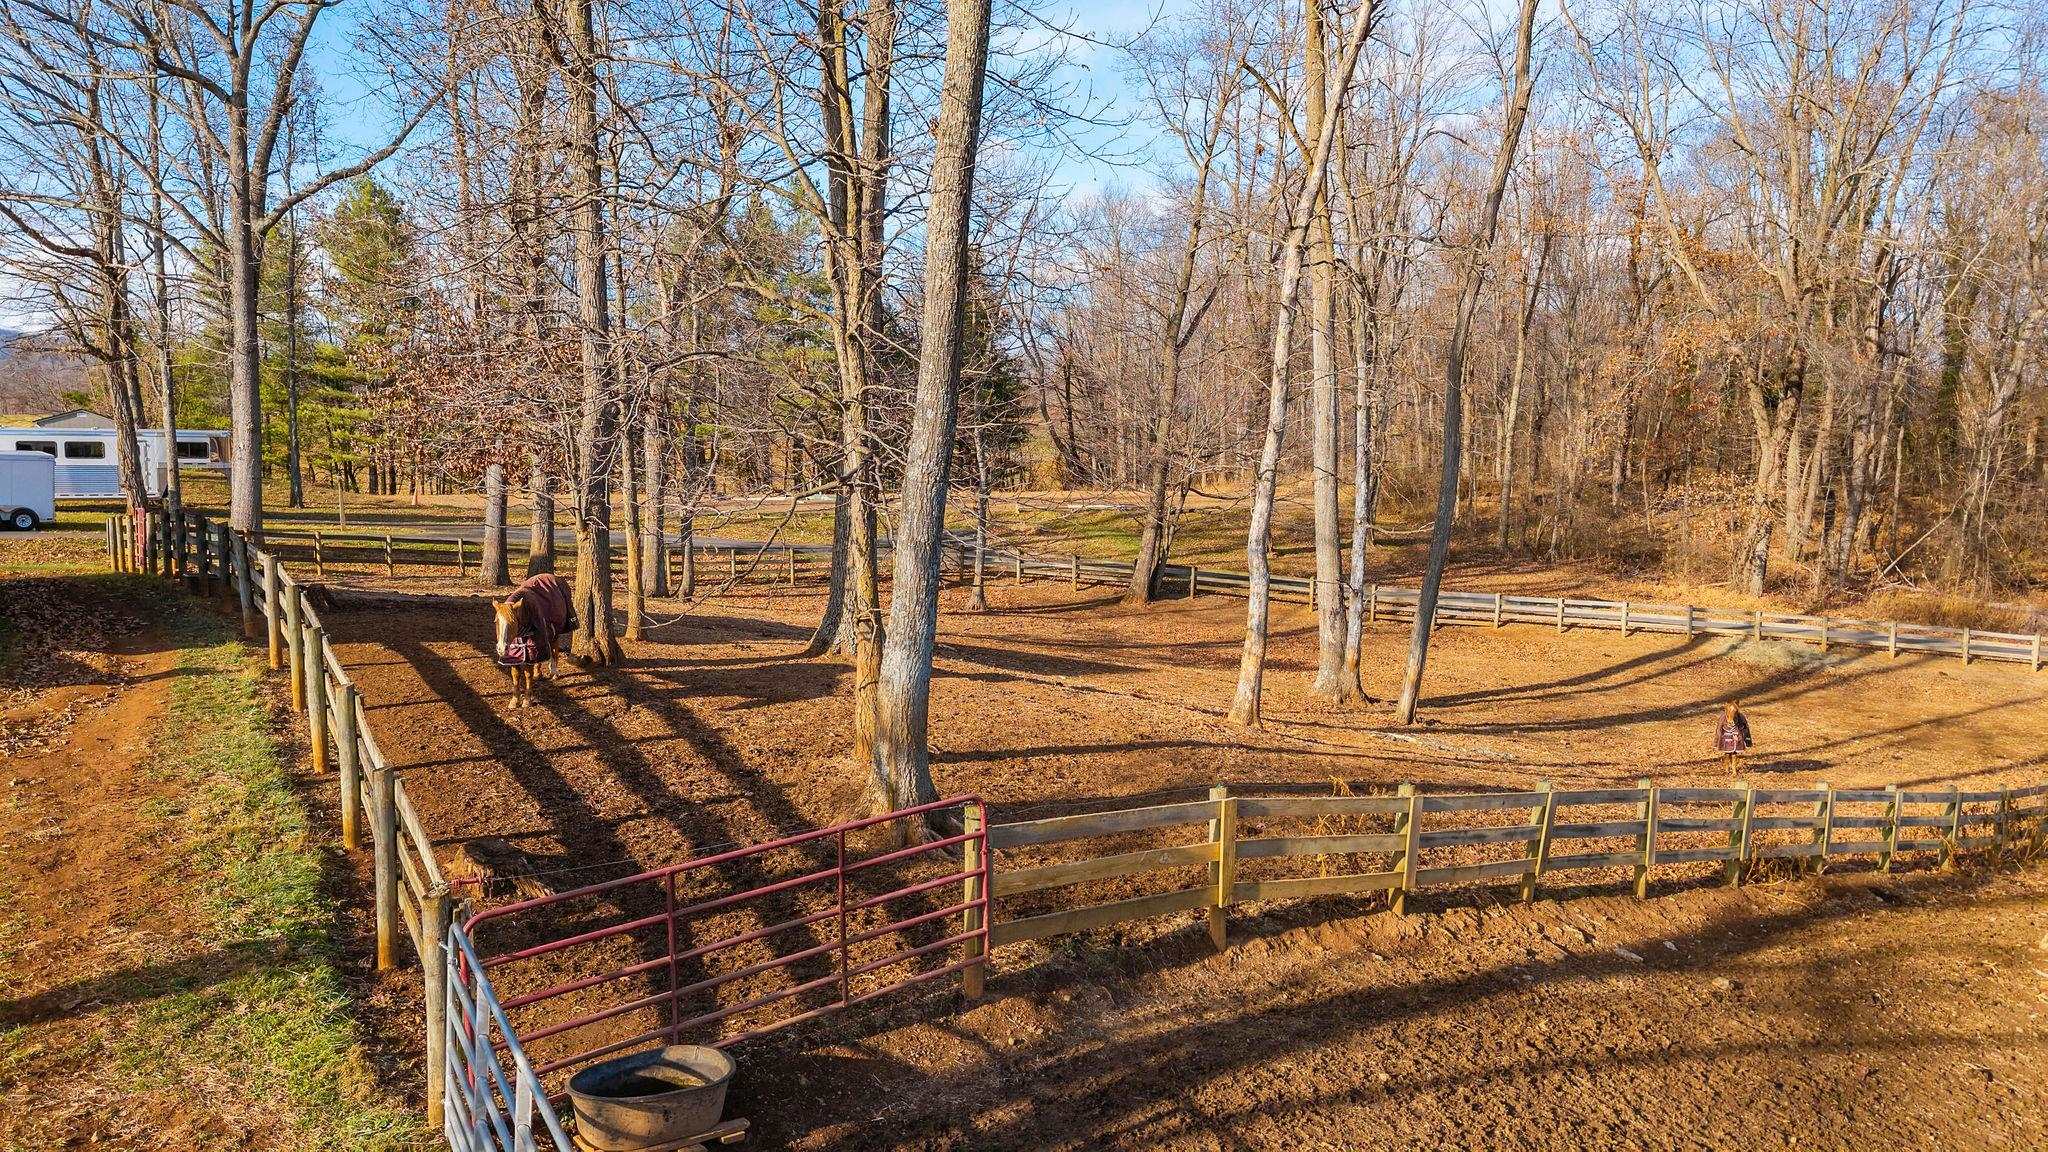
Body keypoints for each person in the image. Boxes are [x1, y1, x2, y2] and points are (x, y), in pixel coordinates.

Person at [1715, 701, 1753, 775]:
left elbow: (1745, 728)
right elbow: (1719, 729)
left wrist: (1744, 738)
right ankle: (1726, 768)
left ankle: (1734, 770)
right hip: (1726, 738)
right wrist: (1718, 740)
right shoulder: (1723, 718)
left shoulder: (1740, 717)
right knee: (1727, 753)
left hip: (1736, 738)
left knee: (1734, 754)